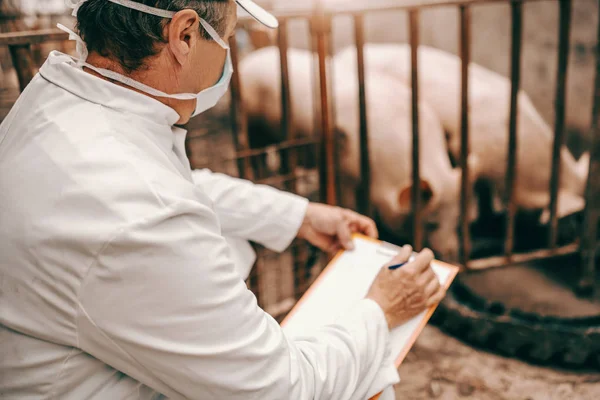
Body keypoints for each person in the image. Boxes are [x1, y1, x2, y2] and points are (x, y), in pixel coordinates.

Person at [0, 1, 446, 399]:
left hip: (73, 349)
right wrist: (382, 309)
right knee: (367, 381)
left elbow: (180, 185)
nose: (231, 56)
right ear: (184, 35)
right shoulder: (137, 210)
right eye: (229, 39)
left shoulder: (65, 105)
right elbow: (279, 388)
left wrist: (301, 215)